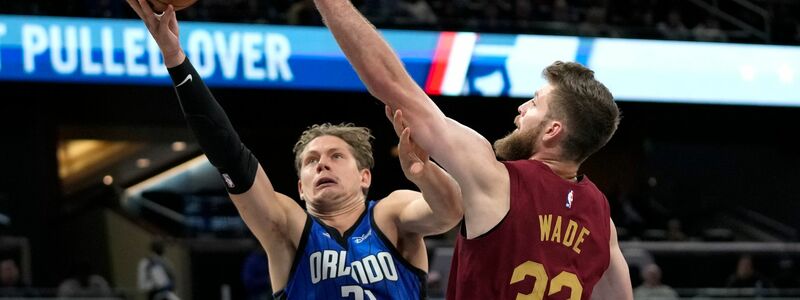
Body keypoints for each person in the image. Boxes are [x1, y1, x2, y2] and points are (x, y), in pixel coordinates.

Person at [125, 1, 463, 299]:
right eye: (311, 161)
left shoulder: (390, 213)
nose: (321, 165)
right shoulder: (287, 229)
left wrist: (426, 173)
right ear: (300, 187)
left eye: (336, 156)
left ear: (365, 176)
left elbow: (449, 213)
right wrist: (175, 60)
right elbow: (229, 155)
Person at [312, 0, 634, 298]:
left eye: (534, 104)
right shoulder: (602, 221)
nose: (520, 109)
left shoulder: (499, 180)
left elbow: (392, 84)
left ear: (552, 130)